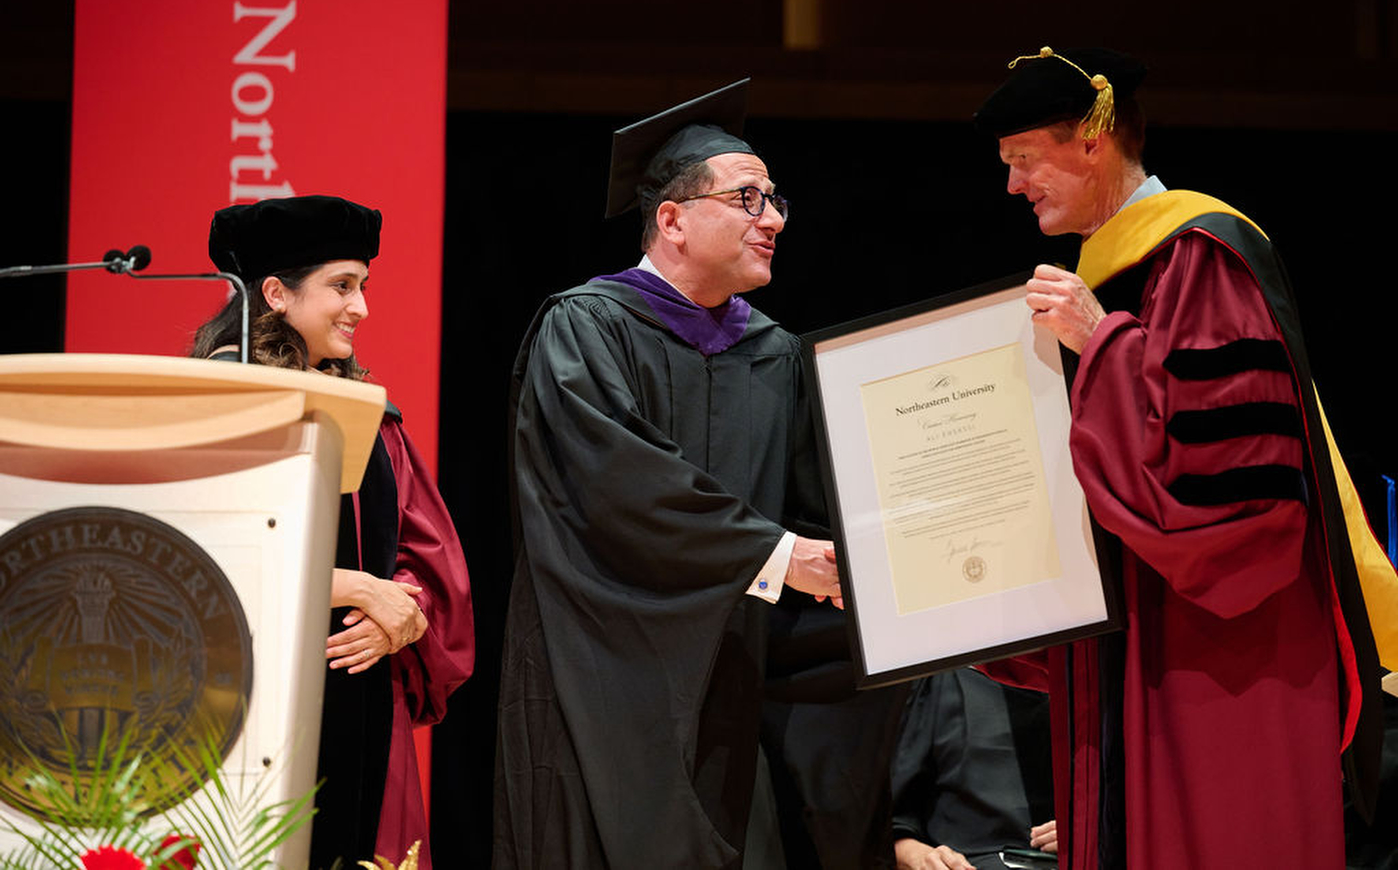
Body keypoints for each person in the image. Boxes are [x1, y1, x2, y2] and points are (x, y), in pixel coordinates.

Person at [973, 46, 1394, 869]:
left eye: (1025, 160)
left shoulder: (1202, 252)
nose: (1014, 185)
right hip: (1149, 633)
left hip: (1222, 644)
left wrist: (1102, 341)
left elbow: (1237, 491)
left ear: (1092, 142)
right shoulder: (1109, 270)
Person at [494, 81, 904, 869]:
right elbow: (621, 486)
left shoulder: (774, 354)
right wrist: (785, 557)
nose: (775, 219)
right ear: (673, 220)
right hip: (597, 677)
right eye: (749, 199)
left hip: (730, 692)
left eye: (776, 199)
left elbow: (825, 509)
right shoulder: (583, 329)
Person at [196, 194, 475, 870]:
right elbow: (192, 562)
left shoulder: (369, 421)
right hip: (241, 706)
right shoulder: (210, 408)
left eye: (364, 286)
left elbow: (427, 557)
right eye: (342, 287)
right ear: (276, 294)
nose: (362, 308)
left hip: (359, 703)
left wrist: (396, 615)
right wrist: (353, 587)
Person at [890, 669, 1056, 870]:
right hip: (972, 862)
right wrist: (921, 857)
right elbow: (894, 828)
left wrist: (1090, 832)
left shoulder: (1079, 676)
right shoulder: (941, 679)